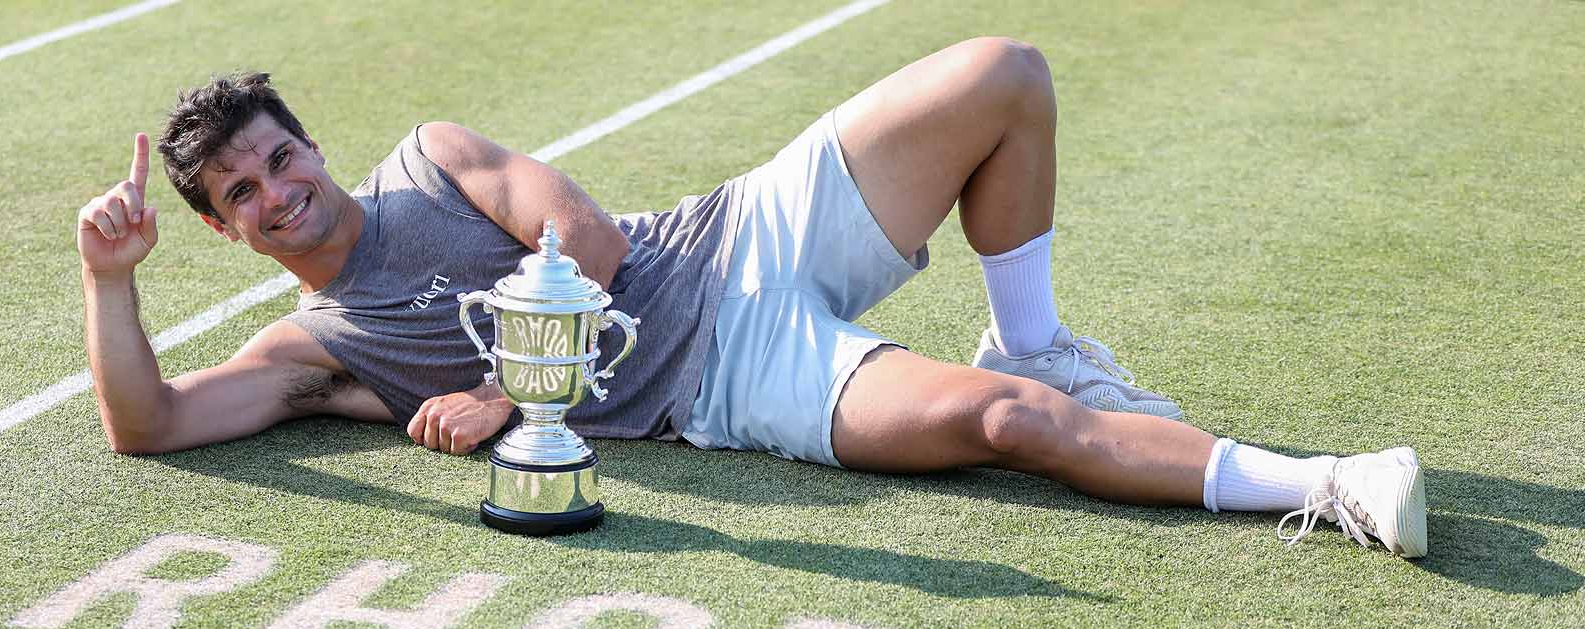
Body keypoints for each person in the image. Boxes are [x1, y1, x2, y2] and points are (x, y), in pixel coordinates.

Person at [75, 38, 1426, 556]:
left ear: (309, 145)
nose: (277, 192)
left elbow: (590, 238)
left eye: (280, 158)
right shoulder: (314, 346)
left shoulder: (434, 156)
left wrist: (501, 393)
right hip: (730, 383)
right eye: (243, 195)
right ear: (230, 232)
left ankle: (1042, 333)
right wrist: (108, 283)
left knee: (1004, 75)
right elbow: (149, 423)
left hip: (734, 234)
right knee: (1013, 428)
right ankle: (1324, 485)